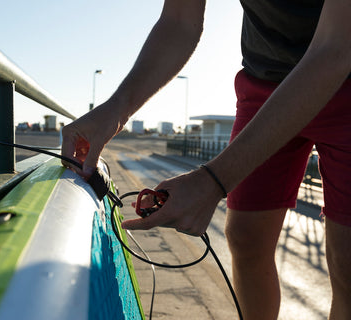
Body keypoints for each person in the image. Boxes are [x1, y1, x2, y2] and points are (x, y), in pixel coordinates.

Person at [61, 0, 351, 319]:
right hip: (265, 84)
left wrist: (212, 181)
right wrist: (115, 110)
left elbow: (334, 48)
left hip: (343, 68)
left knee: (347, 263)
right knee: (245, 237)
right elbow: (179, 22)